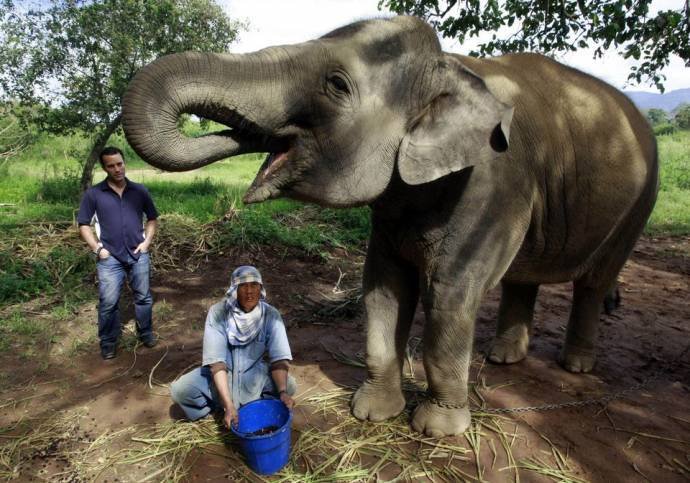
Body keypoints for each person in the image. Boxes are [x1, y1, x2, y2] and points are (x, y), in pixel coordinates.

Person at [171, 265, 296, 428]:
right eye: (243, 286)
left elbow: (279, 360)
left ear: (261, 288)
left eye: (254, 285)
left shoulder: (271, 315)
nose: (249, 291)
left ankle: (254, 403)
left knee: (290, 385)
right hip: (222, 376)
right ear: (234, 289)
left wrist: (282, 392)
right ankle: (217, 406)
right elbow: (217, 364)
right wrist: (228, 405)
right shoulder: (218, 313)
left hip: (254, 375)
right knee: (180, 391)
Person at [77, 146, 158, 360]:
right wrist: (98, 249)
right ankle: (108, 342)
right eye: (111, 166)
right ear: (104, 168)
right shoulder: (94, 194)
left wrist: (147, 242)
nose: (117, 169)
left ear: (124, 163)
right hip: (109, 257)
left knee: (143, 298)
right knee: (109, 302)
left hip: (137, 253)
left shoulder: (139, 191)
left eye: (119, 164)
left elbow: (151, 218)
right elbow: (83, 224)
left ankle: (146, 333)